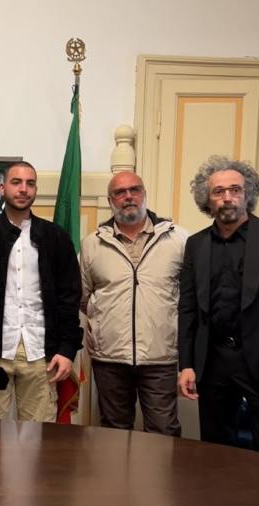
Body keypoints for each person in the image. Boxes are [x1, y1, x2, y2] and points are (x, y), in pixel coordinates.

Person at [178, 156, 259, 456]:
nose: (227, 197)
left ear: (247, 194)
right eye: (218, 191)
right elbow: (187, 309)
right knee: (216, 454)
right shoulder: (196, 245)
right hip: (212, 363)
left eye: (235, 190)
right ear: (206, 199)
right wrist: (186, 364)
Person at [0, 161, 81, 422]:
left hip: (41, 354)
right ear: (3, 188)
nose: (23, 189)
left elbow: (69, 299)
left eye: (30, 183)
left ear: (35, 189)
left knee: (38, 439)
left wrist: (67, 349)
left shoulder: (57, 238)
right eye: (16, 182)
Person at [79, 171, 187, 436]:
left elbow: (189, 297)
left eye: (134, 190)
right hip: (110, 358)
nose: (128, 197)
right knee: (114, 433)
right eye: (120, 192)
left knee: (163, 431)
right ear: (110, 200)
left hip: (160, 357)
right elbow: (82, 297)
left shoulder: (178, 240)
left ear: (144, 194)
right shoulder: (92, 244)